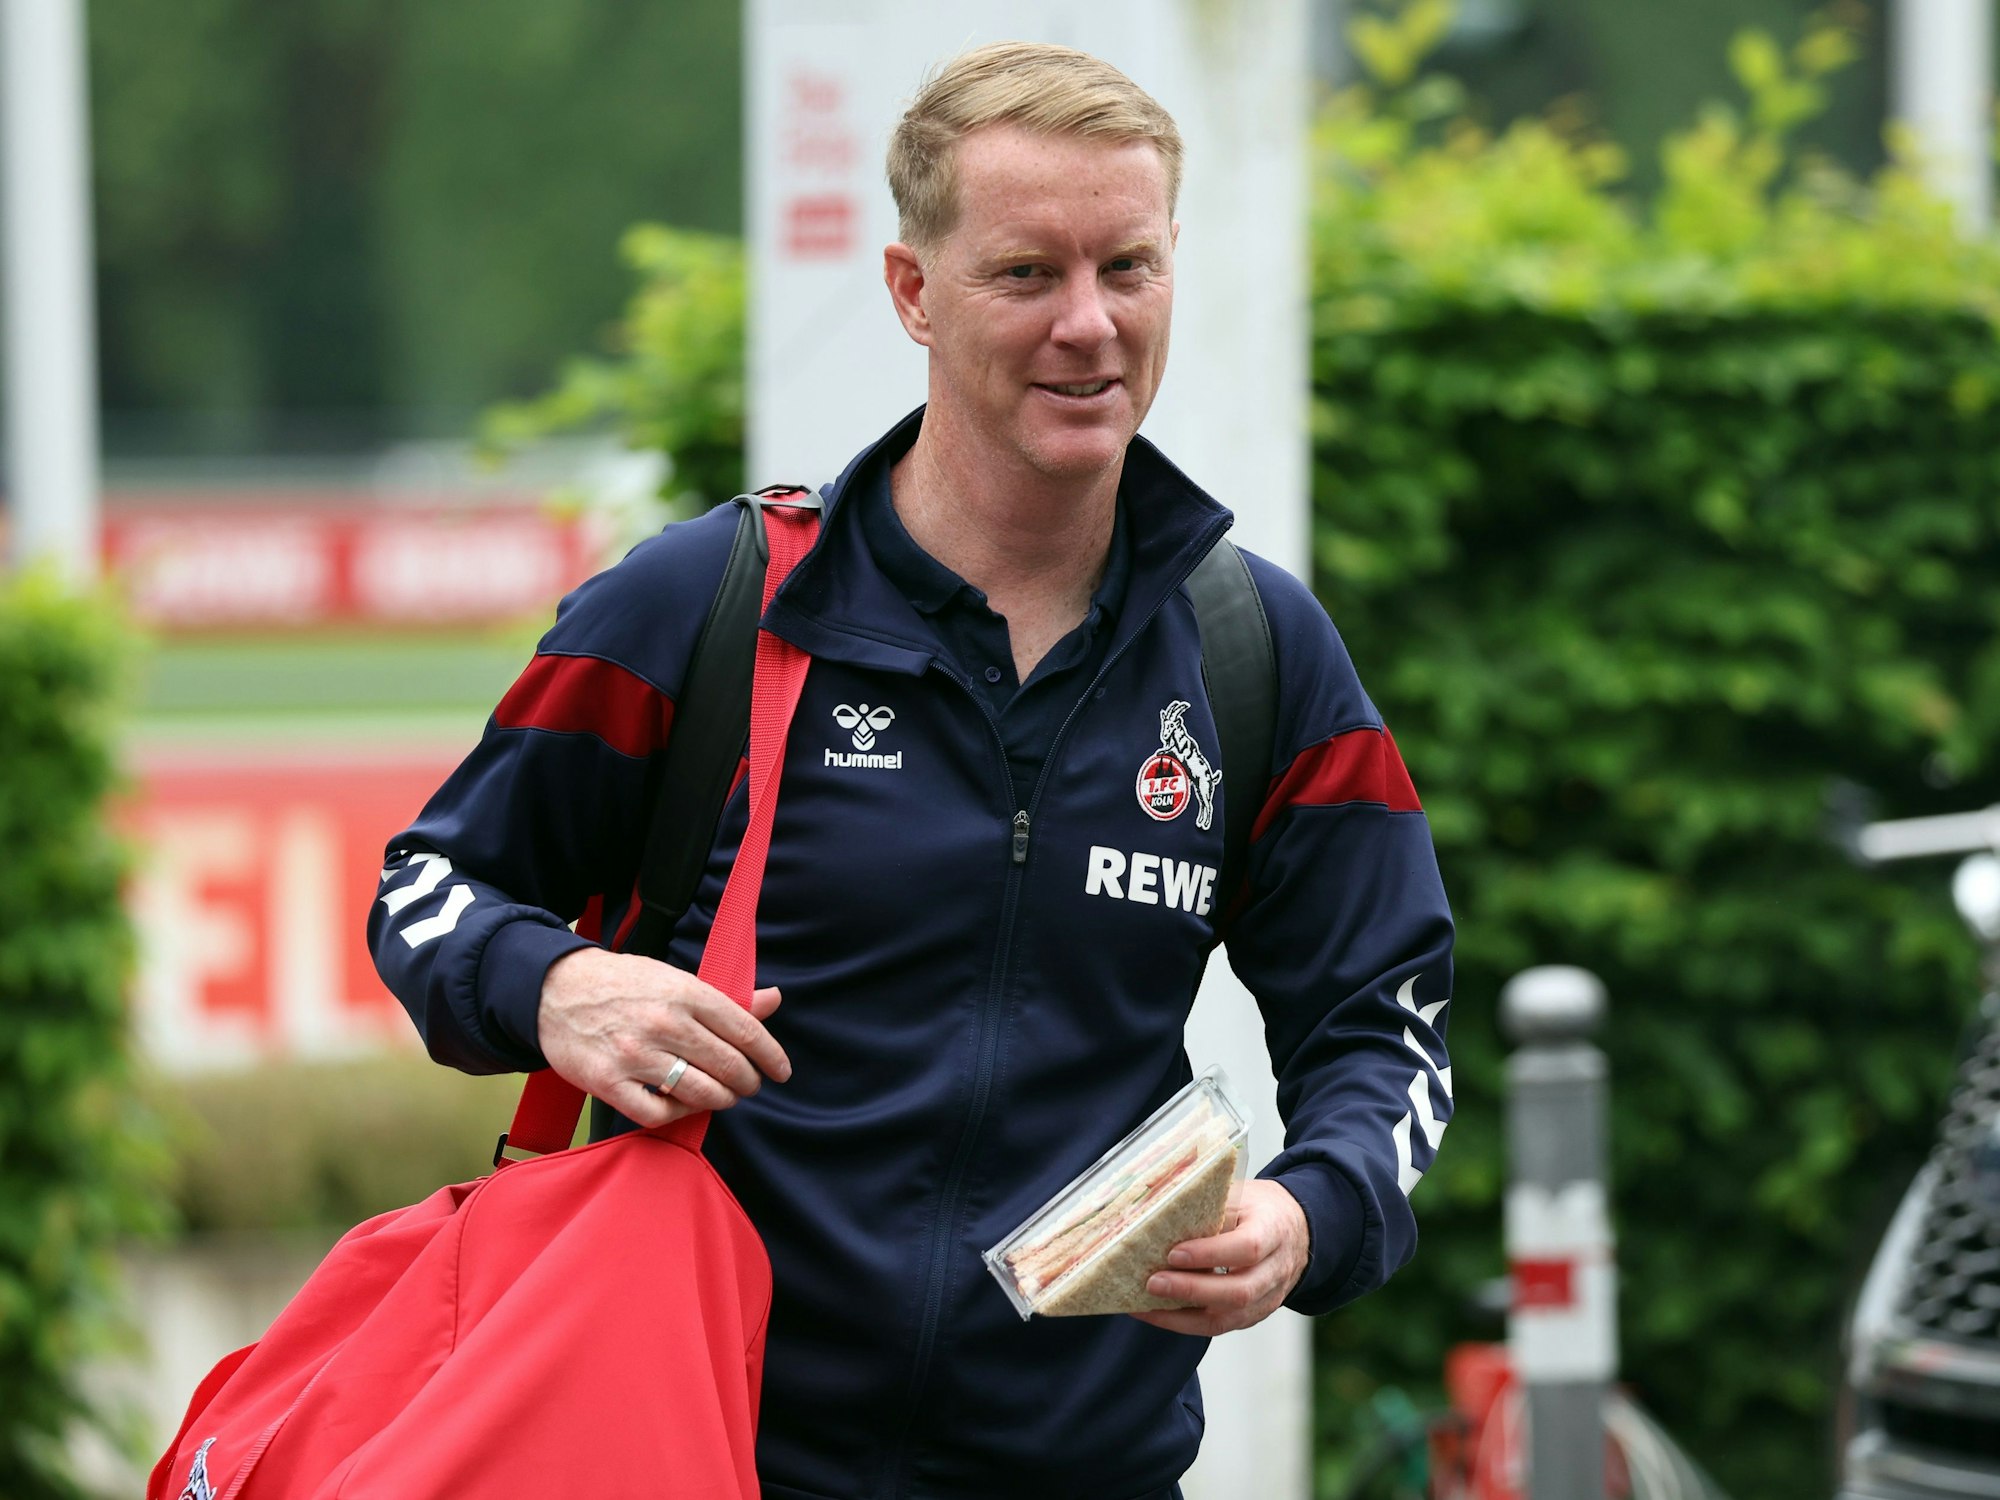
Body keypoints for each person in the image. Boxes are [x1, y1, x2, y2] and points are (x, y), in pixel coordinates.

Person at [369, 40, 1453, 1500]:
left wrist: (1309, 1215)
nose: (1090, 325)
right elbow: (429, 888)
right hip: (697, 1449)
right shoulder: (713, 600)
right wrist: (553, 986)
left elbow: (1386, 1022)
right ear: (911, 292)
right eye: (1026, 275)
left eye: (1128, 267)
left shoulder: (1254, 649)